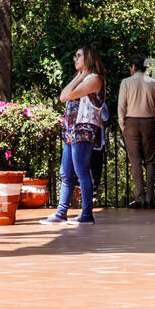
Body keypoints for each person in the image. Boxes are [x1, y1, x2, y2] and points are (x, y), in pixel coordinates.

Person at [41, 45, 106, 226]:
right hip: (72, 130)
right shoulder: (83, 78)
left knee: (81, 172)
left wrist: (82, 76)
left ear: (89, 58)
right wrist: (79, 75)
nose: (74, 59)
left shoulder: (94, 80)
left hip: (84, 130)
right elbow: (64, 95)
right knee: (66, 173)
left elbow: (65, 96)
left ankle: (87, 215)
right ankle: (61, 213)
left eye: (78, 56)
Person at [118, 55, 155, 208]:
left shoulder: (126, 82)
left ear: (134, 67)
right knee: (150, 161)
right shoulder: (153, 83)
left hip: (131, 122)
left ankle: (140, 198)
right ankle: (150, 199)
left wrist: (123, 125)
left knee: (135, 161)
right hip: (148, 122)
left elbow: (121, 107)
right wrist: (154, 123)